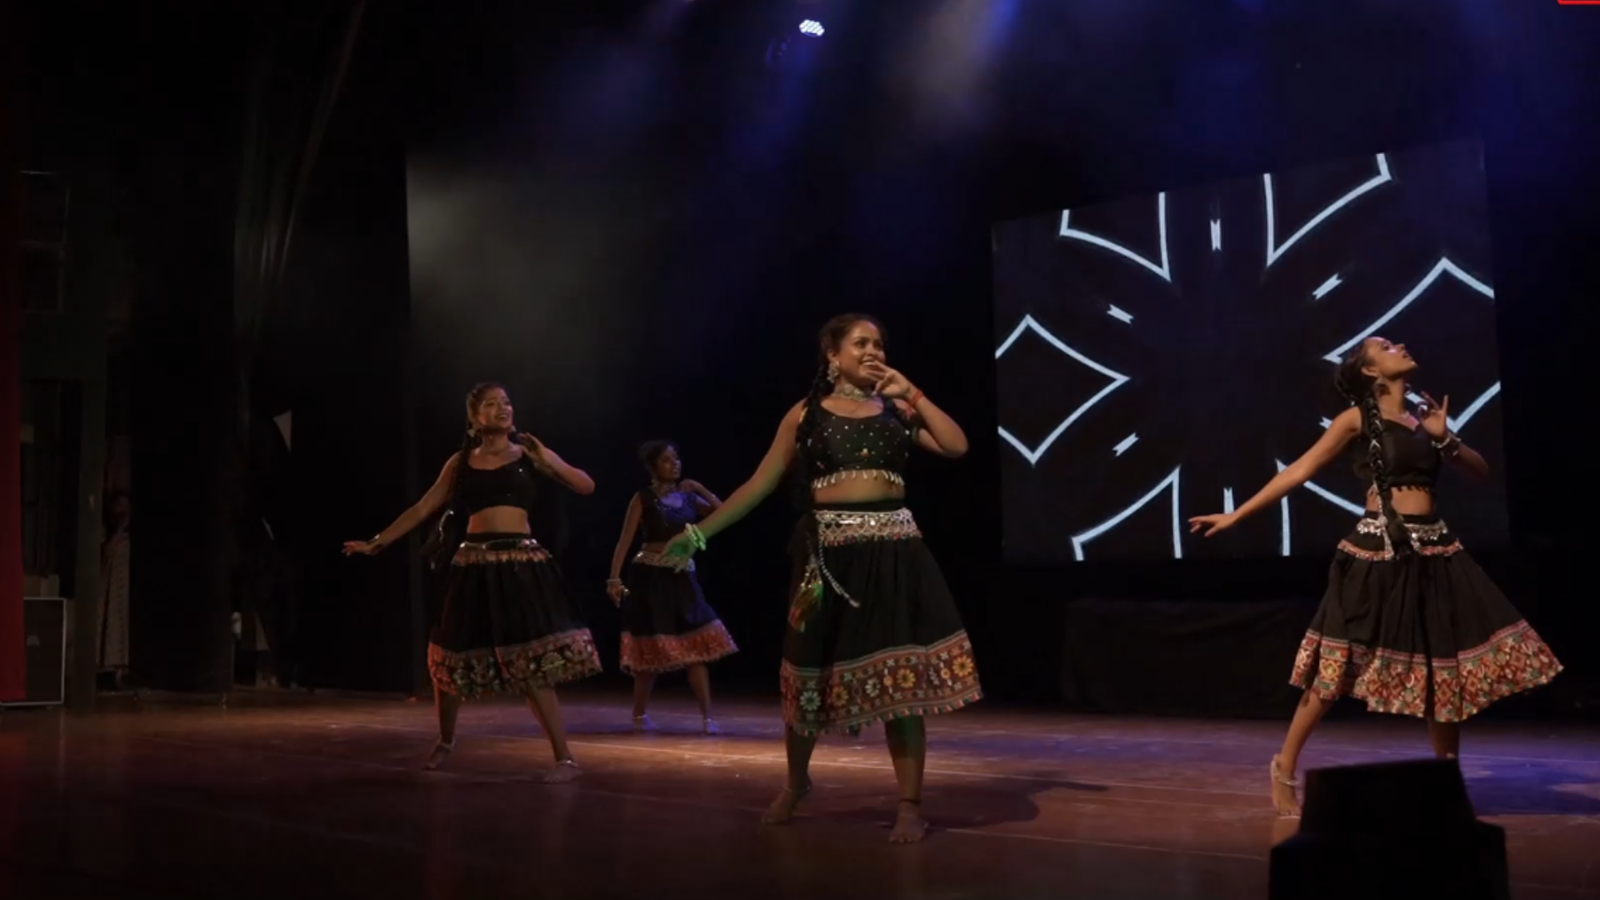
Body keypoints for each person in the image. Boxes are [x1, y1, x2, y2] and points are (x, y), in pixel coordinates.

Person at [1187, 336, 1563, 817]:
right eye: (1386, 346)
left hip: (1434, 550)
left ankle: (1445, 784)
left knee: (1441, 670)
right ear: (1370, 371)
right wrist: (1237, 515)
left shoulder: (1424, 420)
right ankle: (1283, 766)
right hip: (1377, 549)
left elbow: (1480, 471)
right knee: (1336, 668)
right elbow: (1300, 469)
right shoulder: (1356, 419)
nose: (1400, 345)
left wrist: (1444, 438)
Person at [663, 314, 981, 844]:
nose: (873, 350)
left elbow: (956, 446)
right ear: (833, 355)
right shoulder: (805, 415)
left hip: (895, 556)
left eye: (879, 343)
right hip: (828, 560)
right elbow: (759, 484)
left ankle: (909, 805)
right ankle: (796, 783)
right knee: (807, 675)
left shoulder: (897, 409)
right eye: (861, 343)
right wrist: (698, 534)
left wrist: (913, 392)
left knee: (901, 683)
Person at [343, 382, 602, 783]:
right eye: (492, 404)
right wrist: (377, 542)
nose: (503, 408)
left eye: (507, 402)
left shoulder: (528, 454)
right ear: (474, 417)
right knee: (450, 655)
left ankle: (564, 759)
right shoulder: (461, 462)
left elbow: (586, 485)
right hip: (474, 565)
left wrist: (548, 458)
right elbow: (423, 508)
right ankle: (446, 741)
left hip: (520, 565)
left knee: (530, 663)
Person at [605, 440, 739, 733]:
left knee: (696, 649)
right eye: (666, 460)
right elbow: (624, 541)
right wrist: (614, 578)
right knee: (649, 649)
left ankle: (708, 718)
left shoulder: (689, 498)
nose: (674, 464)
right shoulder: (643, 498)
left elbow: (724, 512)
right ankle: (639, 714)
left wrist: (700, 488)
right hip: (648, 578)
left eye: (676, 458)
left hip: (681, 577)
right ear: (653, 467)